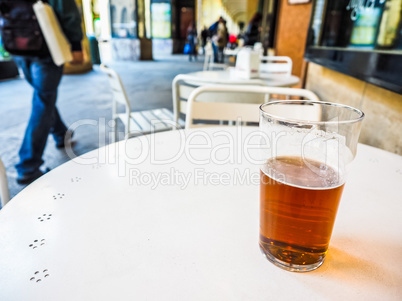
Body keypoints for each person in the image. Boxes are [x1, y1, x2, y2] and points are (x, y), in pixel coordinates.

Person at [6, 0, 84, 184]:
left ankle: (61, 134)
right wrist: (76, 46)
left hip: (18, 46)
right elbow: (67, 11)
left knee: (44, 96)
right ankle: (28, 165)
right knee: (43, 99)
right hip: (47, 48)